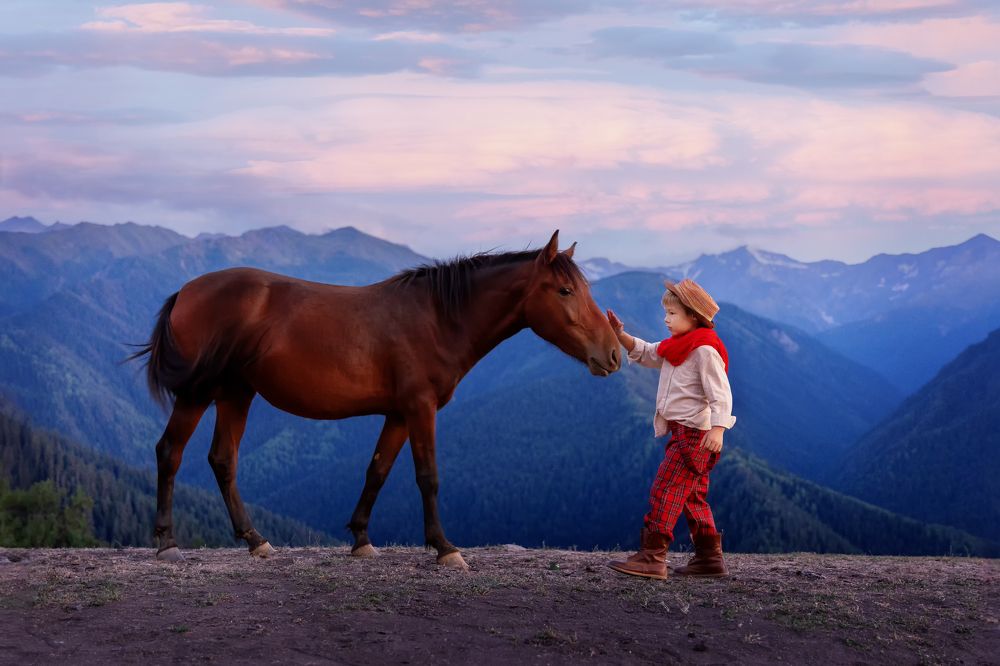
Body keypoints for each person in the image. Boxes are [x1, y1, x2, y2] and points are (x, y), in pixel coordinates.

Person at [605, 278, 735, 580]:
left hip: (696, 436)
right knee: (692, 497)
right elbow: (649, 353)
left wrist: (718, 429)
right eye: (666, 313)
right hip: (683, 432)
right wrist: (620, 334)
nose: (665, 319)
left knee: (665, 489)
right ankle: (709, 560)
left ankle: (652, 557)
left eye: (672, 314)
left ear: (693, 316)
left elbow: (721, 394)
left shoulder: (705, 351)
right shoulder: (679, 345)